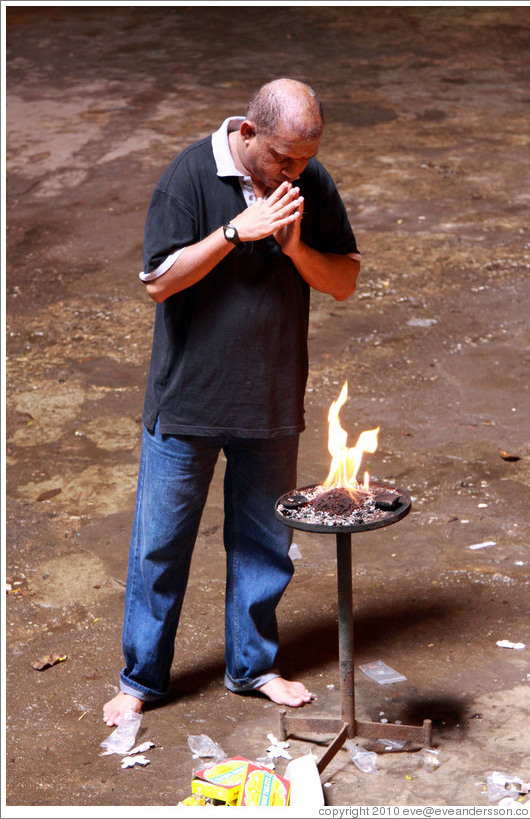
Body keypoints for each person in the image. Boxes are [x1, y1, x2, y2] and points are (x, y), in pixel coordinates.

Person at [103, 78, 360, 727]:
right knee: (159, 546)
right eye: (282, 158)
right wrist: (233, 232)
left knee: (263, 544)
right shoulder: (188, 176)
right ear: (247, 134)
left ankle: (253, 665)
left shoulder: (309, 182)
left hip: (270, 397)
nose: (294, 173)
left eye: (305, 160)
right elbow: (158, 283)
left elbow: (345, 281)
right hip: (187, 401)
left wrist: (296, 247)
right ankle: (142, 678)